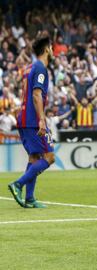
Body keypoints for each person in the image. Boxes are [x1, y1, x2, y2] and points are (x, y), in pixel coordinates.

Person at [8, 35, 55, 208]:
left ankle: (30, 198)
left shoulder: (29, 67)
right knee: (50, 157)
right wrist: (42, 119)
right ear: (46, 50)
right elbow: (36, 94)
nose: (53, 50)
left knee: (34, 157)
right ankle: (18, 184)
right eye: (51, 47)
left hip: (23, 118)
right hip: (33, 119)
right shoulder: (41, 68)